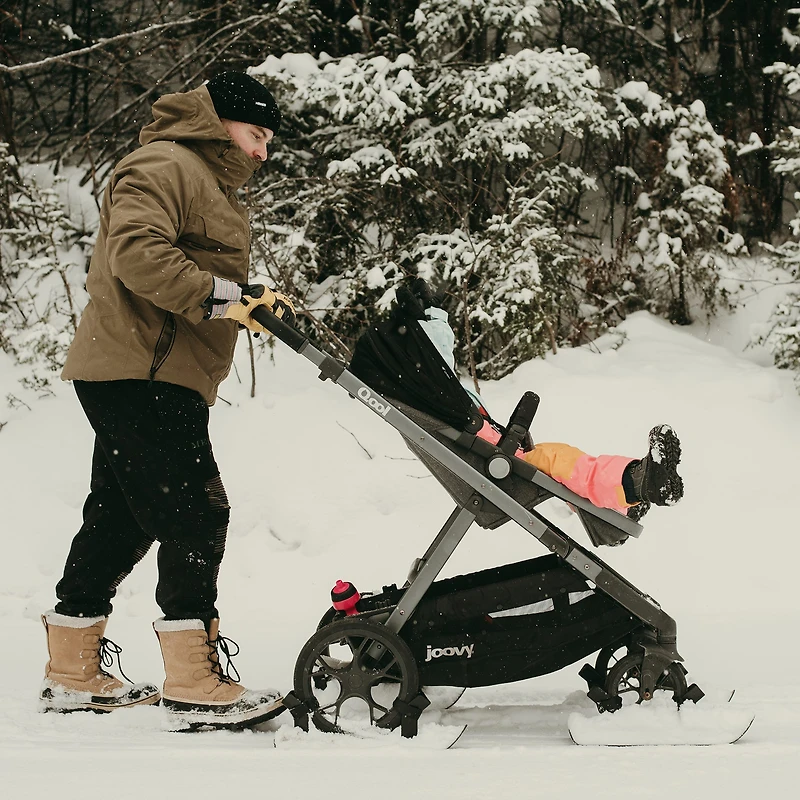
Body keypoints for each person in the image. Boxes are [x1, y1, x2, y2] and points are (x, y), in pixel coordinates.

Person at [42, 72, 294, 729]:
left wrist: (248, 299)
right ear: (219, 122)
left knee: (122, 517)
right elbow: (137, 254)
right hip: (143, 369)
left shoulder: (205, 183)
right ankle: (192, 681)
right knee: (195, 510)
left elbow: (184, 264)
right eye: (255, 134)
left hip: (151, 369)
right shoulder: (164, 163)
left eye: (268, 139)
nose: (263, 151)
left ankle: (72, 670)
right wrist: (229, 299)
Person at [413, 282, 684, 522]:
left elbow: (437, 362)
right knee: (565, 464)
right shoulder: (435, 393)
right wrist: (431, 319)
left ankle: (625, 501)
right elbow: (435, 360)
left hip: (493, 455)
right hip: (493, 462)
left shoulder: (434, 396)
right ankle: (636, 485)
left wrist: (434, 317)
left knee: (567, 467)